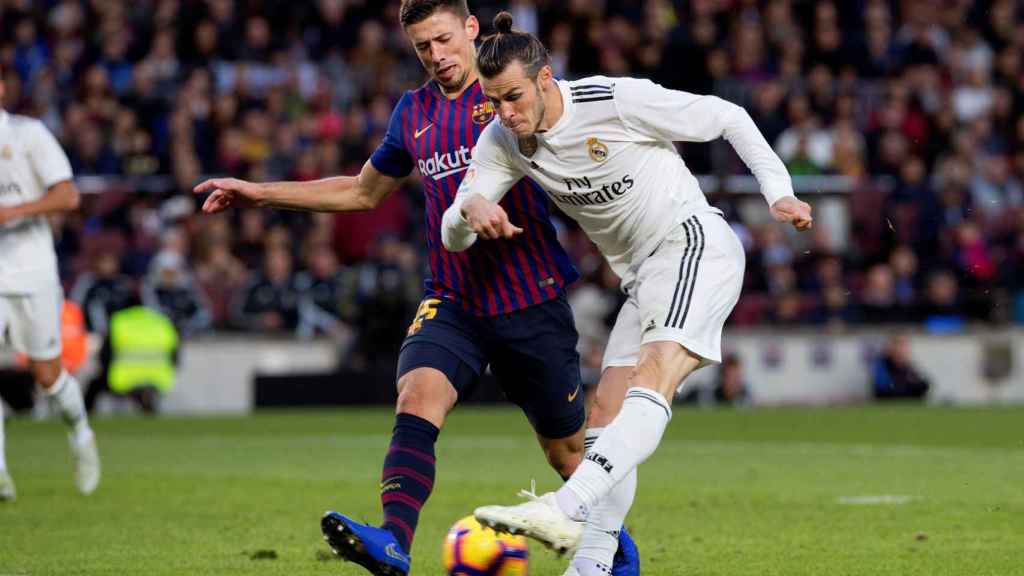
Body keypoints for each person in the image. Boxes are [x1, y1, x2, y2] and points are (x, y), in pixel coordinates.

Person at [192, 2, 637, 574]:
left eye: (445, 40)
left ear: (472, 29)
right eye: (423, 46)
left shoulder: (513, 93)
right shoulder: (414, 112)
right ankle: (393, 541)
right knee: (417, 396)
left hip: (531, 300)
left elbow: (585, 148)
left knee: (568, 454)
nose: (438, 56)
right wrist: (260, 192)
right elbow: (361, 191)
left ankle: (614, 549)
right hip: (454, 298)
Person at [442, 13, 812, 575]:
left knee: (654, 373)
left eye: (513, 97)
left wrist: (777, 193)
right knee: (605, 417)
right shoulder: (504, 140)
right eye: (494, 102)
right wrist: (471, 210)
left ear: (545, 80)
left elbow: (727, 116)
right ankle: (589, 567)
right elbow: (452, 229)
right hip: (643, 275)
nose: (505, 112)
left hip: (692, 242)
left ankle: (563, 507)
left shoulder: (613, 101)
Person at [0, 71, 101, 501]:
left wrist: (10, 212)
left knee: (47, 374)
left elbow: (68, 196)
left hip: (31, 269)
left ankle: (80, 433)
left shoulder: (28, 135)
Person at [871, 335, 930, 400]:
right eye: (899, 346)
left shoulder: (908, 367)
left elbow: (923, 385)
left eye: (904, 346)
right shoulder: (882, 365)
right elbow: (882, 390)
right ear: (891, 348)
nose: (902, 350)